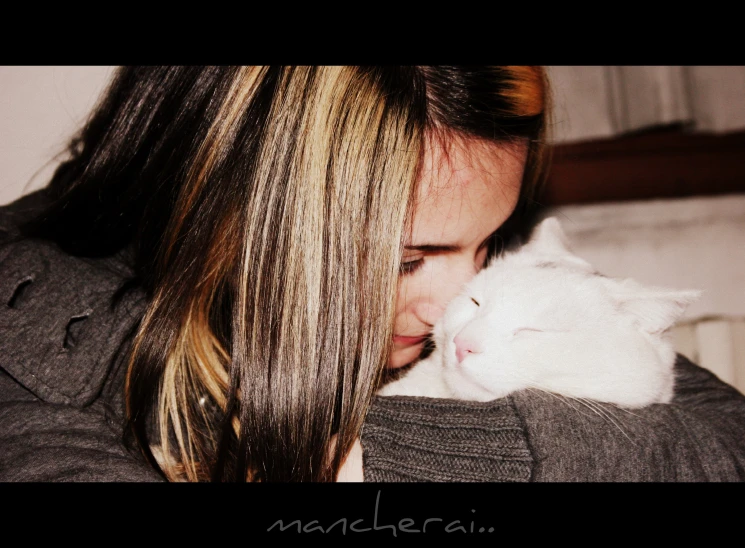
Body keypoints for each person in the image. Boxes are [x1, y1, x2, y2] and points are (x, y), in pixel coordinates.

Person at [1, 66, 744, 483]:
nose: (453, 303)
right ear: (234, 213)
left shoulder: (475, 294)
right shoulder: (34, 363)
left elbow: (725, 439)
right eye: (406, 260)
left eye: (489, 243)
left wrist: (399, 450)